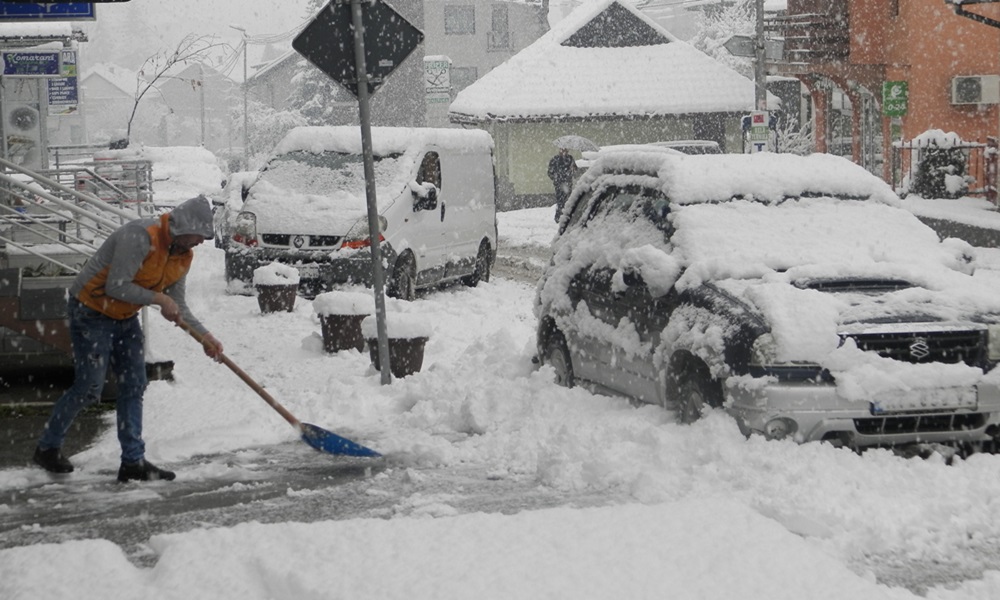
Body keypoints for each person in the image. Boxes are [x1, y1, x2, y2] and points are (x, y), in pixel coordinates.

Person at [33, 195, 224, 482]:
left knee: (134, 384)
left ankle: (132, 463)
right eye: (200, 236)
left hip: (124, 317)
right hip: (91, 310)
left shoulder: (183, 255)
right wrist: (158, 298)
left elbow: (178, 306)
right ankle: (47, 448)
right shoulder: (141, 236)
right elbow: (116, 286)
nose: (201, 242)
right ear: (186, 227)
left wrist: (205, 338)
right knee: (90, 386)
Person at [547, 147, 577, 222]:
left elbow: (575, 169)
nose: (564, 152)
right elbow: (550, 172)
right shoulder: (555, 159)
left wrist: (573, 169)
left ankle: (567, 216)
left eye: (566, 150)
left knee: (568, 200)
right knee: (560, 200)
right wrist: (555, 178)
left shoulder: (570, 158)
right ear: (560, 150)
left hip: (568, 183)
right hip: (559, 184)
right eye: (563, 150)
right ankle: (558, 217)